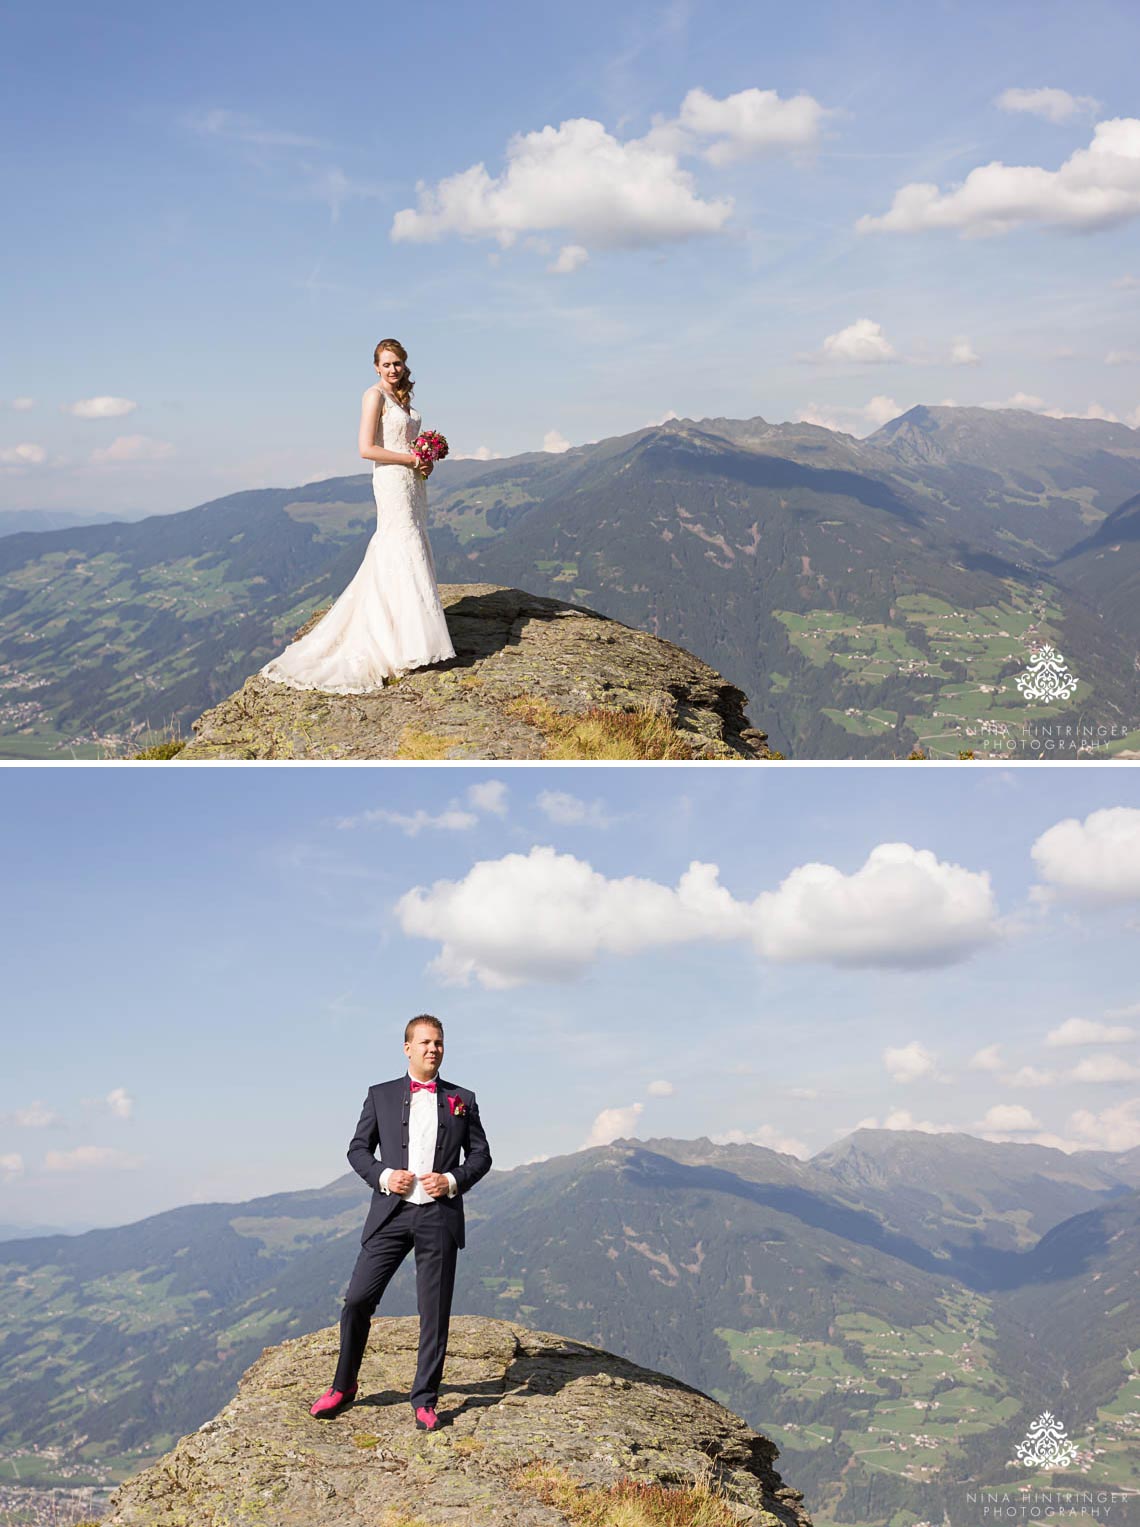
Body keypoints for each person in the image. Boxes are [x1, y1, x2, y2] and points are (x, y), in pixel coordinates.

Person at [310, 1014, 491, 1431]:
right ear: (407, 1048)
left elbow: (481, 1157)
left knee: (434, 1311)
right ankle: (343, 1385)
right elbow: (357, 1150)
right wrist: (383, 1176)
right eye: (425, 1042)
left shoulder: (463, 1098)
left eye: (439, 1043)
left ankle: (425, 1399)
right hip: (390, 1213)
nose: (433, 1049)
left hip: (439, 1217)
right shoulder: (380, 1095)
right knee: (357, 1299)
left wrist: (450, 1180)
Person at [260, 339, 456, 692]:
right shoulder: (374, 396)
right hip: (392, 480)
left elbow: (405, 444)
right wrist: (410, 459)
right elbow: (366, 448)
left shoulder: (402, 399)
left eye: (397, 363)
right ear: (376, 367)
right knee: (400, 543)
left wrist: (422, 461)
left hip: (412, 481)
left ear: (404, 365)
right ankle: (397, 641)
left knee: (412, 541)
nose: (393, 369)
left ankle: (408, 634)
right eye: (386, 364)